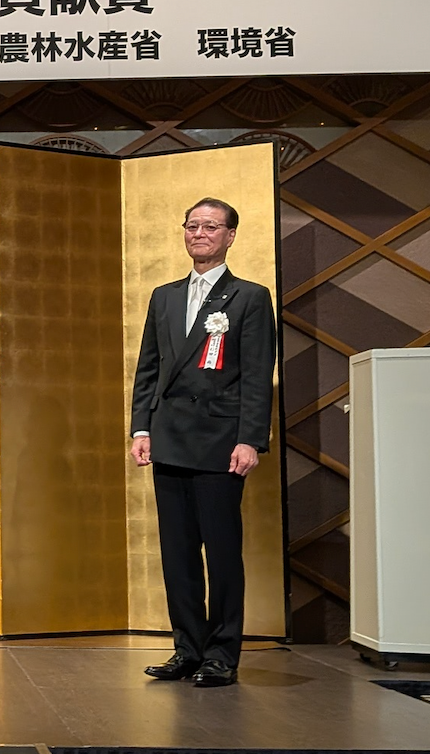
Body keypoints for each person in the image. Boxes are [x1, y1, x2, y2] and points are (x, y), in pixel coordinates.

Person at [128, 197, 274, 688]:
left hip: (220, 441)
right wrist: (141, 428)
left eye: (211, 226)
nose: (199, 234)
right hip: (169, 438)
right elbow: (148, 368)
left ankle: (222, 655)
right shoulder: (164, 296)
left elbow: (257, 375)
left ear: (230, 236)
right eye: (192, 225)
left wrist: (250, 439)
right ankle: (187, 649)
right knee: (178, 553)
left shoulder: (249, 297)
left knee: (223, 552)